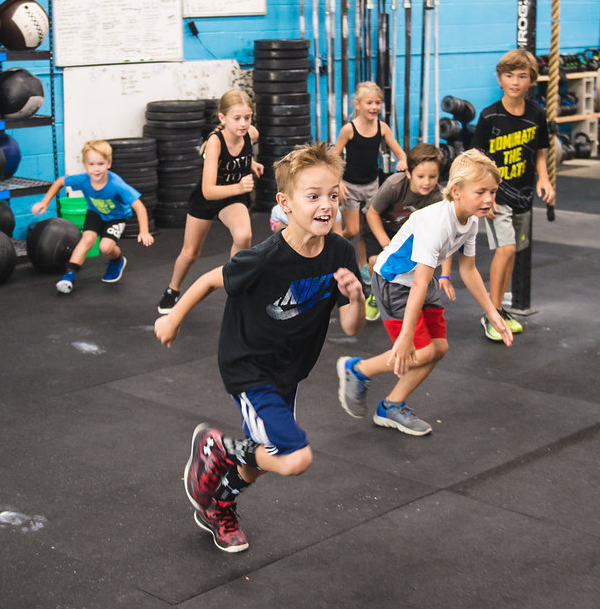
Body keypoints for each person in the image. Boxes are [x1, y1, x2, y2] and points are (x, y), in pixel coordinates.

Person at [155, 143, 365, 553]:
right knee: (294, 458)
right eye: (313, 196)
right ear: (285, 204)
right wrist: (173, 317)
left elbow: (351, 327)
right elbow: (210, 280)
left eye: (332, 195)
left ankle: (218, 505)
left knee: (263, 457)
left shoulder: (340, 251)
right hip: (249, 367)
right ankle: (218, 447)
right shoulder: (266, 257)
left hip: (289, 370)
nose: (326, 205)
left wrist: (355, 296)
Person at [335, 149, 512, 437]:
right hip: (394, 282)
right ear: (456, 191)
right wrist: (405, 337)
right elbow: (417, 282)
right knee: (422, 350)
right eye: (480, 192)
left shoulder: (471, 220)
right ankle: (358, 369)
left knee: (439, 349)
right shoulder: (436, 223)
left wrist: (492, 313)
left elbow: (468, 270)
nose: (489, 199)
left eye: (492, 192)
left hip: (420, 281)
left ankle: (391, 406)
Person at [471, 48, 555, 341]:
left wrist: (544, 179)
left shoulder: (537, 114)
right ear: (500, 79)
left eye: (522, 76)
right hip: (498, 196)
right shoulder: (489, 116)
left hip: (524, 194)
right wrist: (486, 196)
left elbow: (540, 151)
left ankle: (499, 310)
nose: (515, 82)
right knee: (505, 249)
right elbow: (477, 160)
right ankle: (491, 313)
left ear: (531, 80)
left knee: (512, 252)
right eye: (509, 76)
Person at [156, 90, 264, 314]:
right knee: (191, 253)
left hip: (233, 198)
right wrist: (239, 187)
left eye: (247, 117)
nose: (243, 123)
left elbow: (244, 151)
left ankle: (236, 285)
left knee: (243, 236)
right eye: (237, 118)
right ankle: (172, 290)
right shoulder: (215, 143)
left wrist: (251, 163)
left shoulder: (251, 133)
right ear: (222, 118)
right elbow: (208, 191)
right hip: (209, 198)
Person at [32, 140, 153, 293]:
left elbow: (139, 206)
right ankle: (69, 276)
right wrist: (44, 202)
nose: (96, 169)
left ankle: (117, 260)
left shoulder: (117, 184)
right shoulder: (83, 179)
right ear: (84, 164)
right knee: (87, 240)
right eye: (91, 164)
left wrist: (144, 231)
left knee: (105, 247)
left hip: (116, 216)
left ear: (109, 164)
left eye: (100, 164)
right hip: (95, 212)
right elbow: (60, 182)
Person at [360, 142, 448, 321]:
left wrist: (445, 273)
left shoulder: (438, 198)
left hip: (408, 235)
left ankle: (406, 296)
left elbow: (443, 237)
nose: (426, 182)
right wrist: (386, 244)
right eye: (421, 176)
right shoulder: (395, 185)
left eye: (432, 177)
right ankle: (376, 293)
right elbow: (372, 214)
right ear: (408, 173)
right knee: (376, 261)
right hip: (381, 226)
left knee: (415, 270)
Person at [332, 81, 407, 280]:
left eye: (377, 103)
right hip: (351, 186)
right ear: (357, 104)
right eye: (369, 103)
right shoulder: (349, 129)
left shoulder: (382, 128)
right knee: (353, 230)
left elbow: (399, 152)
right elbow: (333, 158)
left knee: (368, 231)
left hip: (372, 185)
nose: (374, 107)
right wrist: (338, 182)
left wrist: (403, 160)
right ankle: (331, 245)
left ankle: (363, 266)